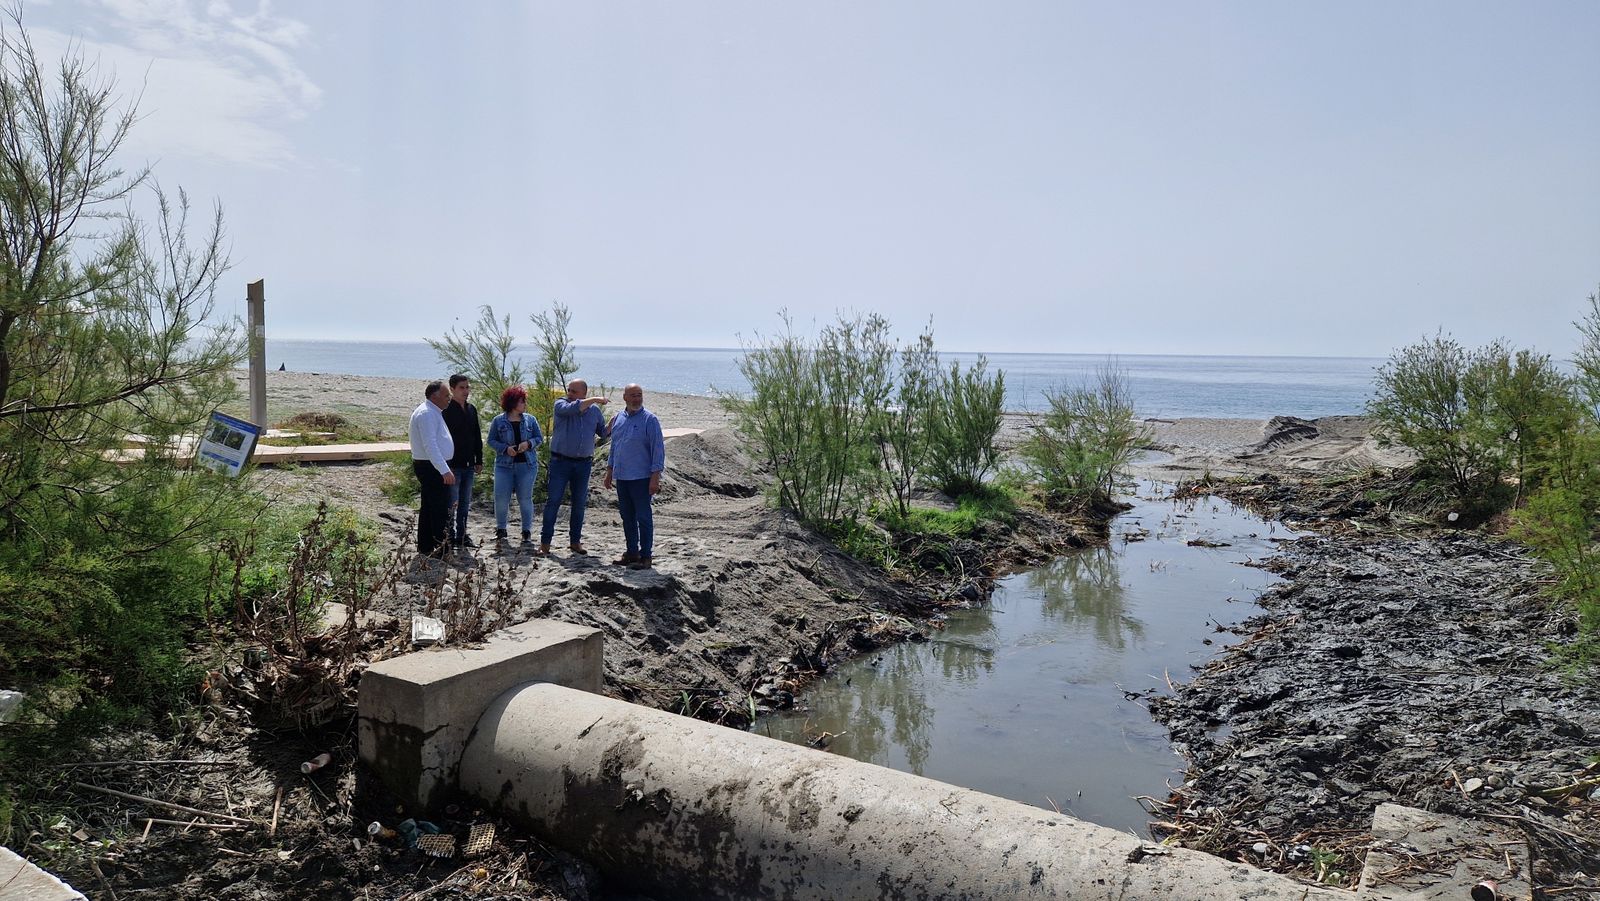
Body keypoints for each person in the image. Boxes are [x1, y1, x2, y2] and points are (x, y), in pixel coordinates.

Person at [539, 378, 608, 556]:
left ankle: (575, 542)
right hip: (560, 462)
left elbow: (603, 432)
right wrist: (594, 399)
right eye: (569, 390)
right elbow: (571, 408)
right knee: (553, 502)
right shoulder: (561, 404)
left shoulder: (594, 412)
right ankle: (545, 543)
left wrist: (615, 423)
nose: (570, 394)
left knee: (579, 504)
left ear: (584, 392)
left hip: (583, 464)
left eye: (574, 391)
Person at [604, 383, 665, 569]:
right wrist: (609, 472)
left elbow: (658, 450)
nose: (636, 399)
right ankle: (632, 552)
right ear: (625, 397)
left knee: (643, 517)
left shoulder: (650, 420)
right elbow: (614, 447)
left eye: (639, 395)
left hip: (641, 478)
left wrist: (655, 477)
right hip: (622, 478)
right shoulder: (618, 419)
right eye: (633, 395)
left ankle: (646, 556)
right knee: (627, 516)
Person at [486, 385, 543, 544]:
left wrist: (528, 444)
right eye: (521, 401)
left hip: (527, 465)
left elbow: (539, 438)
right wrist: (505, 449)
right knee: (501, 497)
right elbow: (491, 440)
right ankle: (501, 529)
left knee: (525, 498)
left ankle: (526, 531)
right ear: (512, 402)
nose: (525, 404)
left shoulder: (530, 420)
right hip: (504, 465)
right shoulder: (499, 420)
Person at [408, 380, 456, 559]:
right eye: (446, 395)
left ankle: (426, 546)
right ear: (434, 396)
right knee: (438, 509)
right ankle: (439, 549)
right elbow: (430, 445)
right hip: (431, 467)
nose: (449, 399)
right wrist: (444, 469)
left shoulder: (433, 412)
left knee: (429, 507)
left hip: (432, 465)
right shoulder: (427, 413)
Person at [442, 374, 484, 549]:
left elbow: (476, 435)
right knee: (452, 502)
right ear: (452, 389)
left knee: (465, 503)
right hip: (453, 465)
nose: (466, 391)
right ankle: (449, 536)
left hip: (469, 464)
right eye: (462, 388)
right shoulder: (446, 410)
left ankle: (462, 535)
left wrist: (479, 458)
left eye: (467, 387)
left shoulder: (471, 409)